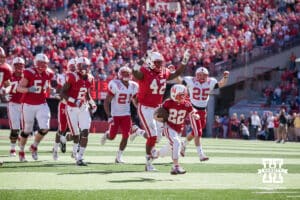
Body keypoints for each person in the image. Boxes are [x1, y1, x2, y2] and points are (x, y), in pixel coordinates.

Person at [132, 49, 190, 171]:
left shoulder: (164, 72)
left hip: (158, 108)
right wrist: (143, 58)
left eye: (160, 62)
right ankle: (148, 164)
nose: (159, 65)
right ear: (151, 62)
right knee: (152, 136)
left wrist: (184, 60)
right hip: (145, 107)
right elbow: (134, 71)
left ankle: (138, 131)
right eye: (157, 62)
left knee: (157, 138)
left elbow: (177, 73)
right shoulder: (145, 71)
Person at [180, 67, 229, 161]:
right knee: (198, 132)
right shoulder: (190, 81)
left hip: (203, 111)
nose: (202, 77)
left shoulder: (210, 82)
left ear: (207, 76)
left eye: (204, 75)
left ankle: (184, 143)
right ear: (196, 75)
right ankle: (201, 155)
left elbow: (221, 83)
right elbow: (180, 81)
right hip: (193, 109)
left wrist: (225, 77)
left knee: (195, 132)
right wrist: (175, 73)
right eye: (200, 75)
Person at [154, 84, 200, 174]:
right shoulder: (168, 103)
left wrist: (195, 114)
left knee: (169, 149)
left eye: (183, 95)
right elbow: (159, 113)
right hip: (169, 127)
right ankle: (175, 166)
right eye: (180, 95)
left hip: (178, 129)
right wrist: (157, 117)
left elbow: (192, 110)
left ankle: (155, 154)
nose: (182, 97)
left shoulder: (186, 104)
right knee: (176, 143)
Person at [17, 53, 54, 162]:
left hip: (41, 103)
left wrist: (51, 91)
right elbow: (19, 88)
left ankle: (34, 146)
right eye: (40, 63)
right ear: (35, 63)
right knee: (27, 130)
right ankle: (22, 151)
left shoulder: (48, 74)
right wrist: (28, 89)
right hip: (28, 104)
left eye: (45, 64)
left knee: (45, 127)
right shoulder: (29, 72)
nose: (42, 66)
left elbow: (47, 86)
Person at [60, 56, 97, 166]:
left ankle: (79, 158)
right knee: (75, 135)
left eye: (87, 66)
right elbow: (62, 93)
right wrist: (74, 100)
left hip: (83, 107)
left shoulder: (90, 78)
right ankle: (64, 138)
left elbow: (86, 93)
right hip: (72, 108)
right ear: (78, 67)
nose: (85, 68)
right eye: (83, 66)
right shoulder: (72, 76)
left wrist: (92, 102)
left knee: (85, 132)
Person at [101, 66, 139, 163]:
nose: (126, 75)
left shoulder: (133, 85)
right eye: (124, 73)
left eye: (128, 73)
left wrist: (139, 108)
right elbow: (106, 102)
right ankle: (107, 135)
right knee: (112, 137)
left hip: (126, 114)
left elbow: (135, 100)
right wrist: (109, 116)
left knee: (126, 135)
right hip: (115, 114)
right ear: (120, 75)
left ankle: (119, 156)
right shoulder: (115, 84)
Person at [52, 58, 76, 160]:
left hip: (75, 107)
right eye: (72, 67)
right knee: (62, 128)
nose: (74, 69)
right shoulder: (63, 77)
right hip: (65, 104)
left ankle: (73, 149)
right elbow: (58, 92)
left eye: (76, 67)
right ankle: (55, 149)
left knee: (77, 130)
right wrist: (58, 95)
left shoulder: (81, 77)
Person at [7, 57, 25, 157]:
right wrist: (4, 94)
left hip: (24, 105)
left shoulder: (26, 76)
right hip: (13, 104)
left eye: (20, 66)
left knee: (25, 129)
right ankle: (12, 149)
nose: (18, 68)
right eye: (16, 66)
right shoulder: (9, 75)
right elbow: (3, 87)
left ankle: (20, 145)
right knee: (15, 128)